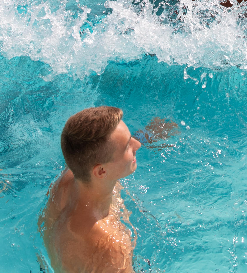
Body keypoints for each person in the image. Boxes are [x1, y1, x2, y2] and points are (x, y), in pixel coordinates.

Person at [40, 107, 176, 273]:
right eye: (128, 145)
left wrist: (148, 135)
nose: (138, 144)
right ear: (101, 171)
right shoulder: (111, 244)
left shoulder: (71, 176)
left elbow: (98, 151)